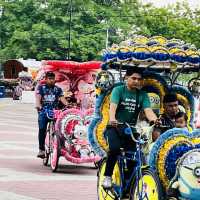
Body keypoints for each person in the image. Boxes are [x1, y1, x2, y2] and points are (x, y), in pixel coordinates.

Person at [102, 68, 158, 189]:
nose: (136, 81)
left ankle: (128, 183)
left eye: (139, 79)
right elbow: (113, 107)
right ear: (126, 78)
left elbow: (148, 111)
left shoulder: (142, 95)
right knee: (115, 149)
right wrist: (112, 119)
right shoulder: (118, 90)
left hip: (131, 130)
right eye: (133, 78)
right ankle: (107, 176)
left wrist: (155, 120)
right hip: (114, 127)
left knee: (135, 156)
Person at [35, 72, 68, 158]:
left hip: (55, 112)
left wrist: (68, 106)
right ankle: (41, 149)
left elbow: (62, 99)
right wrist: (38, 105)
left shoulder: (58, 89)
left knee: (61, 129)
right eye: (49, 78)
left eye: (52, 79)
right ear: (45, 79)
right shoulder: (41, 87)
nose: (51, 80)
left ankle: (61, 146)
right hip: (43, 111)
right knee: (42, 129)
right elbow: (38, 98)